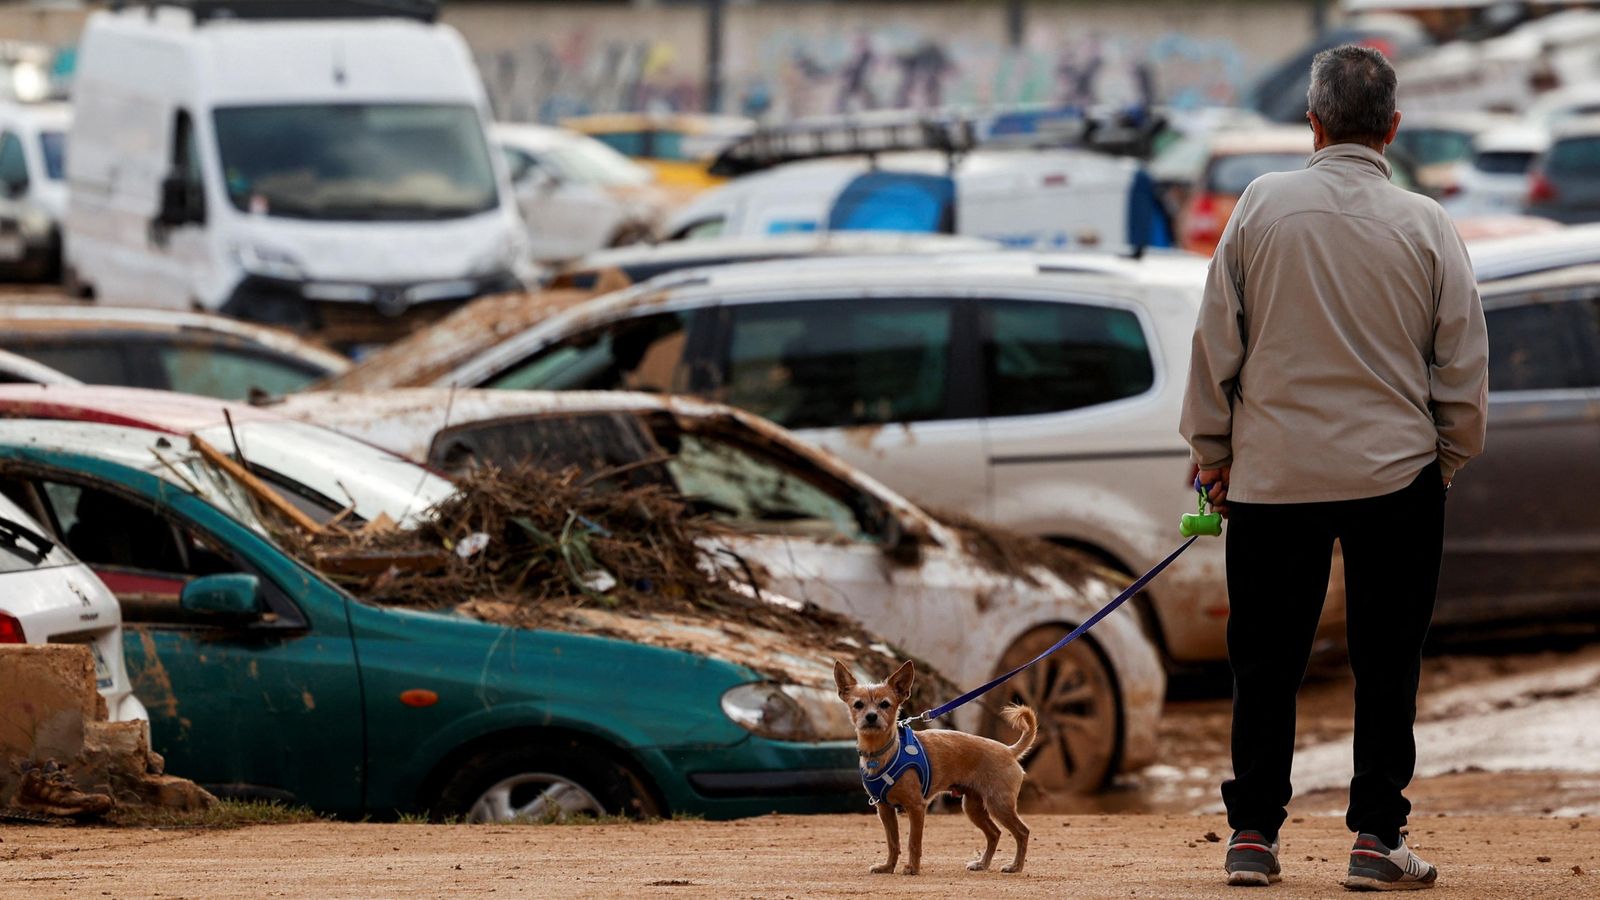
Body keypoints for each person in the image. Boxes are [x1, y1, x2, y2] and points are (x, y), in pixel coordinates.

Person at [1180, 44, 1488, 891]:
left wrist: (1213, 455)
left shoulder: (1260, 205)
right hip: (1398, 478)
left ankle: (1252, 836)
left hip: (1274, 478)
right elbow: (1461, 365)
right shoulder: (1426, 223)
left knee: (1265, 661)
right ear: (1392, 128)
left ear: (1311, 123)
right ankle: (1375, 840)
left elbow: (1217, 343)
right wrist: (1447, 458)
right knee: (1388, 661)